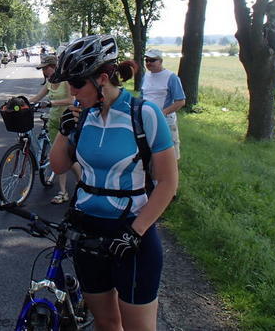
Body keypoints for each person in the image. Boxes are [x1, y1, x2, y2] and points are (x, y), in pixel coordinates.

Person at [49, 35, 178, 331]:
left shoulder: (144, 114)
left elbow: (168, 183)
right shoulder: (82, 115)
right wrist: (63, 132)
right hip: (87, 231)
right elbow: (58, 166)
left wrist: (136, 232)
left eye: (77, 83)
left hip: (131, 232)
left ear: (103, 79)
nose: (72, 91)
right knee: (106, 323)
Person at [29, 54, 80, 204]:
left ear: (54, 67)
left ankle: (82, 184)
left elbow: (71, 100)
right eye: (42, 68)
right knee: (57, 157)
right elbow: (37, 98)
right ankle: (63, 192)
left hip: (67, 123)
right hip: (53, 122)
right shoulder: (49, 82)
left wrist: (51, 103)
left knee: (69, 158)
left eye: (46, 68)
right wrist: (21, 102)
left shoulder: (65, 81)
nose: (44, 71)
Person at [141, 49, 186, 160]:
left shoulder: (171, 77)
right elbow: (142, 97)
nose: (148, 63)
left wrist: (161, 113)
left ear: (160, 61)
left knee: (171, 153)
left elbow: (180, 101)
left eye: (152, 60)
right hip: (146, 120)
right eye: (146, 60)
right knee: (149, 151)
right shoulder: (145, 76)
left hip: (166, 121)